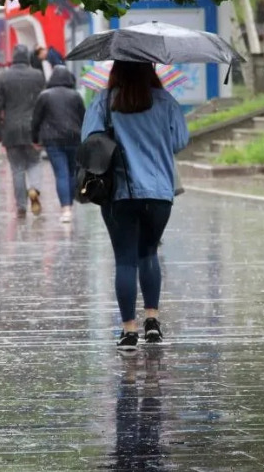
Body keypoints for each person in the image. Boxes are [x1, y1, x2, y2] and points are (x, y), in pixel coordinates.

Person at [81, 61, 189, 351]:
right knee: (149, 253)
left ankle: (128, 331)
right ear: (150, 69)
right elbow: (179, 141)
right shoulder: (165, 100)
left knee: (125, 260)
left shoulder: (104, 101)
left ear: (115, 70)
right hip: (159, 192)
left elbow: (89, 142)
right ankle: (152, 322)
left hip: (119, 192)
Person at [0, 44, 46, 218]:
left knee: (17, 169)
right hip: (33, 128)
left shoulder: (3, 77)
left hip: (11, 129)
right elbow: (43, 103)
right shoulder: (37, 75)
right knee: (35, 162)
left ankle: (21, 206)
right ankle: (35, 189)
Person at [31, 65, 86, 223]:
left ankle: (66, 209)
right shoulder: (75, 95)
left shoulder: (45, 95)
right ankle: (70, 204)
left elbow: (36, 119)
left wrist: (35, 139)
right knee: (71, 173)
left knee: (61, 173)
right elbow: (83, 117)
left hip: (52, 140)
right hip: (74, 138)